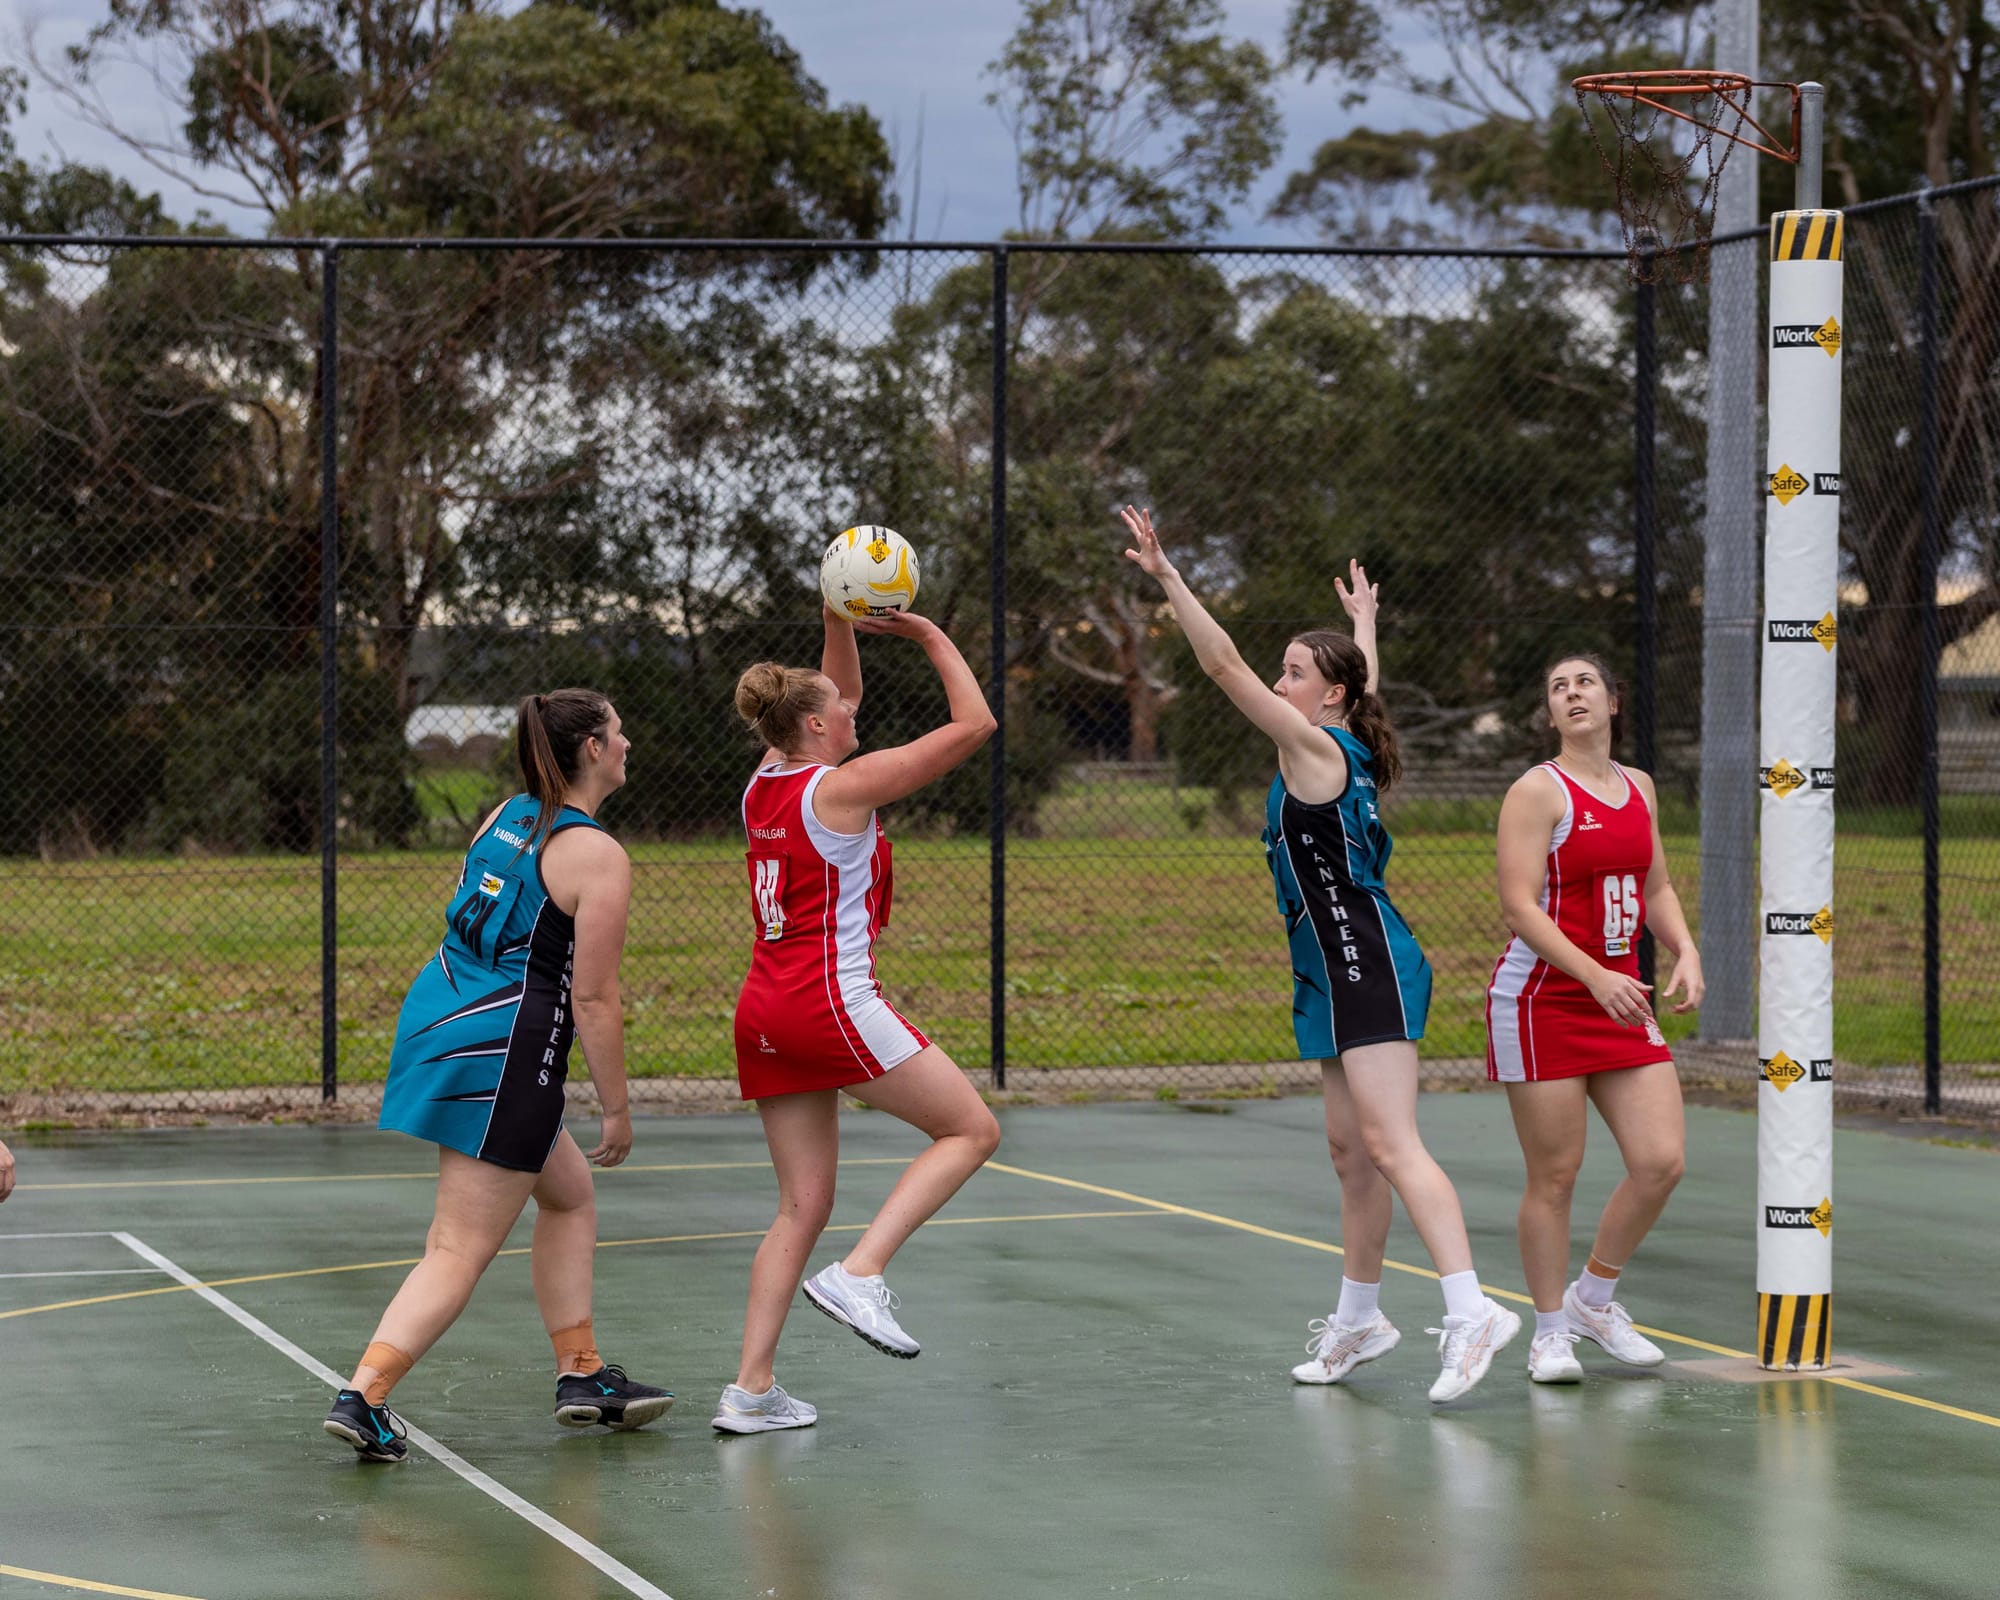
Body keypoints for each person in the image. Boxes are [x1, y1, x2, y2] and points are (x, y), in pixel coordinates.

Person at [1119, 505, 1519, 1404]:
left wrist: (1170, 578)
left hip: (1365, 961)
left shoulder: (1312, 749)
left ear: (1325, 697)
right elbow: (1362, 678)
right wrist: (1363, 624)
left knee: (1389, 1141)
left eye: (1293, 672)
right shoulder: (1346, 739)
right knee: (1350, 1153)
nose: (1278, 679)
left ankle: (1471, 1310)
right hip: (1330, 970)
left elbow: (1219, 665)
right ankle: (1359, 1317)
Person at [323, 689, 672, 1462]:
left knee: (570, 1195)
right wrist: (617, 1109)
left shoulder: (504, 816)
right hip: (502, 1054)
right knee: (455, 1249)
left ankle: (581, 1372)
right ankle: (366, 1394)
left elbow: (478, 922)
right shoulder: (598, 856)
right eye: (617, 732)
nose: (626, 742)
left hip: (440, 1020)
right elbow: (593, 996)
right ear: (589, 748)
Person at [713, 604, 1001, 1435]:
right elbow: (975, 722)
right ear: (813, 724)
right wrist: (929, 634)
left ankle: (752, 1391)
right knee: (971, 1131)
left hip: (764, 1007)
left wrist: (839, 610)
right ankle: (863, 1271)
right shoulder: (842, 786)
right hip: (829, 1004)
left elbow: (834, 683)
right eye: (842, 710)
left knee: (799, 1207)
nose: (854, 711)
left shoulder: (764, 783)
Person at [1486, 653, 1703, 1384]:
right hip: (1544, 997)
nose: (1572, 694)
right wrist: (1595, 974)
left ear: (1612, 699)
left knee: (1660, 1162)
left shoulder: (1639, 785)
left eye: (1584, 683)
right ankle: (1550, 1332)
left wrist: (1685, 947)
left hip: (1619, 998)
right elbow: (1518, 906)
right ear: (1550, 715)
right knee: (1555, 1175)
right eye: (1557, 687)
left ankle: (1593, 1300)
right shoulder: (1536, 792)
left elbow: (1656, 884)